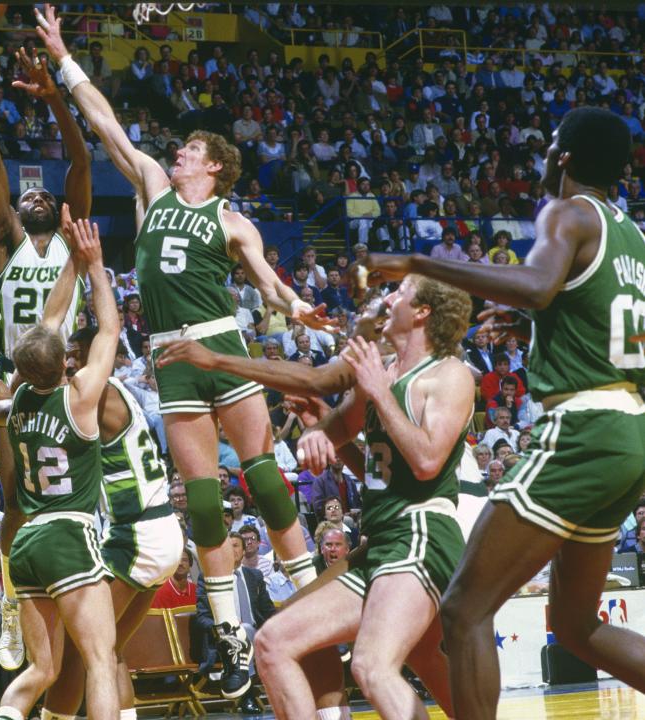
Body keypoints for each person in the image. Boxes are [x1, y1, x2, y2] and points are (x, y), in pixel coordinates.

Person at [32, 8, 327, 698]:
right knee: (201, 499)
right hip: (171, 356)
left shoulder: (230, 219)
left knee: (262, 475)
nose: (179, 155)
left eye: (192, 151)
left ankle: (314, 596)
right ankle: (229, 633)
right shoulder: (154, 190)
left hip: (221, 342)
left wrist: (295, 307)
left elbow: (267, 281)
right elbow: (105, 123)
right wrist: (64, 58)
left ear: (216, 167)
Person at [369, 105, 645, 719]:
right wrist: (541, 318)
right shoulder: (634, 237)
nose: (544, 156)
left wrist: (417, 262)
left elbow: (538, 283)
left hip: (582, 427)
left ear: (564, 157)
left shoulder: (567, 212)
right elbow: (571, 304)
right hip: (630, 427)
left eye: (549, 146)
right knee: (574, 626)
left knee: (465, 607)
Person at [249, 275, 473, 718]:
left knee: (373, 666)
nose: (387, 298)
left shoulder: (449, 374)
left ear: (423, 311)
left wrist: (377, 393)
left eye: (401, 292)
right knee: (273, 642)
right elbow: (374, 466)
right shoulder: (385, 373)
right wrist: (320, 427)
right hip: (382, 541)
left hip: (421, 533)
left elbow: (427, 461)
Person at [0, 33, 96, 675]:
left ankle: (94, 587)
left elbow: (80, 160)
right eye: (26, 196)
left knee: (89, 496)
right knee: (17, 499)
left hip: (74, 382)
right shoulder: (5, 244)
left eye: (45, 197)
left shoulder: (71, 239)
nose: (32, 197)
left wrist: (57, 100)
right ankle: (15, 605)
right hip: (18, 386)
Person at [0, 203, 118, 720]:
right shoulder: (78, 397)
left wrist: (71, 265)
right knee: (101, 660)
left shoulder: (14, 405)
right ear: (63, 362)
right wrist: (93, 265)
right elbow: (107, 332)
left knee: (41, 671)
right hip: (69, 535)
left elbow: (48, 322)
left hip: (26, 544)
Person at [195, 532, 276, 713]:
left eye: (236, 546)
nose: (231, 550)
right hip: (226, 641)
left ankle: (246, 690)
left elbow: (268, 612)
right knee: (243, 631)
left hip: (258, 637)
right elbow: (202, 618)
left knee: (250, 630)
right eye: (227, 547)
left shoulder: (254, 576)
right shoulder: (207, 578)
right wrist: (225, 631)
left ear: (244, 549)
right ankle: (248, 696)